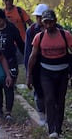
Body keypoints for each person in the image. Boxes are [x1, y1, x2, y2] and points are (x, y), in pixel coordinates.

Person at [27, 10, 72, 138]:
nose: (48, 25)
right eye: (46, 22)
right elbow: (33, 57)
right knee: (49, 98)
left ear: (55, 21)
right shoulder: (39, 37)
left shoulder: (65, 35)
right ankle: (52, 129)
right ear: (43, 23)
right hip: (46, 73)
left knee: (60, 100)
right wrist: (29, 76)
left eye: (51, 22)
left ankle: (58, 128)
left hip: (62, 72)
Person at [0, 7, 24, 120]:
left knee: (8, 85)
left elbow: (20, 44)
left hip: (10, 60)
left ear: (4, 19)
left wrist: (25, 59)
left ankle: (8, 111)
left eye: (0, 21)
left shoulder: (12, 29)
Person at [23, 3, 50, 126]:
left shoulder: (56, 29)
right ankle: (42, 115)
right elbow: (28, 52)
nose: (39, 20)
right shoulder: (31, 30)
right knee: (39, 92)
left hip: (51, 65)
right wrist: (29, 73)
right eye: (37, 17)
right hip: (37, 65)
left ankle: (51, 116)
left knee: (51, 92)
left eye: (41, 17)